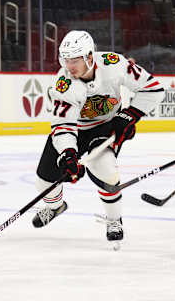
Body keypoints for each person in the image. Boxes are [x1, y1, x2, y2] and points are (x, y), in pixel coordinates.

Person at [32, 30, 164, 247]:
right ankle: (55, 206)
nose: (69, 66)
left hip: (105, 126)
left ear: (90, 57)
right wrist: (68, 153)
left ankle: (114, 219)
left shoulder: (115, 65)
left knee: (106, 171)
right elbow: (63, 124)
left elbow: (153, 89)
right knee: (44, 180)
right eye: (66, 60)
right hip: (76, 129)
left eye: (75, 60)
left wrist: (130, 115)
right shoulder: (64, 83)